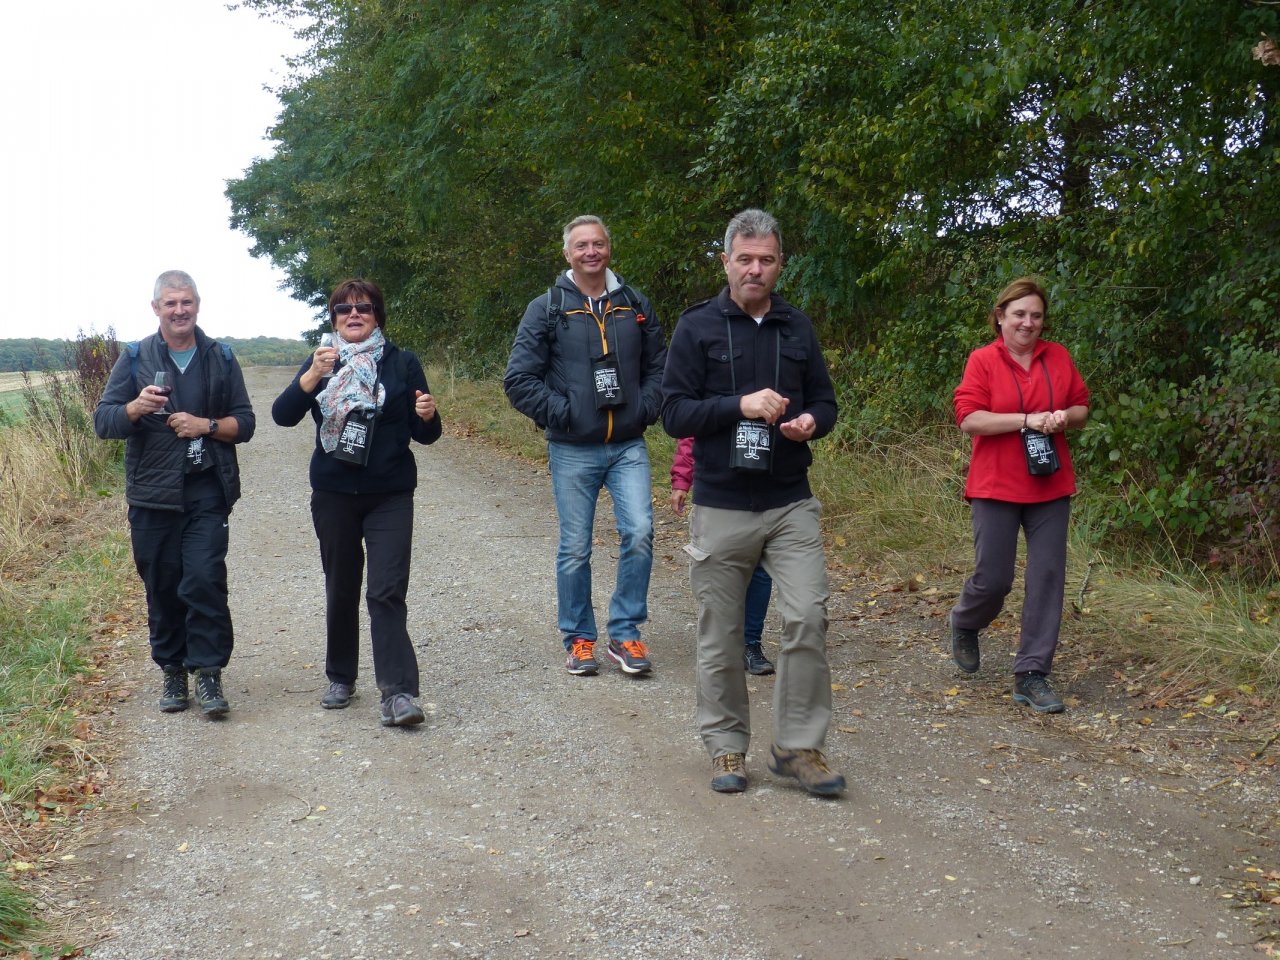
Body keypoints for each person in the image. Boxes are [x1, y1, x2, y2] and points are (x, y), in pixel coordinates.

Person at [661, 208, 845, 797]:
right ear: (726, 262)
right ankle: (726, 746)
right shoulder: (697, 327)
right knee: (721, 633)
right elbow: (674, 413)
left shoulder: (797, 327)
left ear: (780, 264)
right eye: (745, 259)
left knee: (807, 615)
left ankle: (799, 748)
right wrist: (738, 406)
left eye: (766, 260)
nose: (755, 270)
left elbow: (825, 401)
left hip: (790, 501)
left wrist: (812, 422)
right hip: (721, 503)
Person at [271, 279, 441, 728]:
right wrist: (311, 376)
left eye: (363, 307)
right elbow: (282, 416)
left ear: (377, 315)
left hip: (390, 494)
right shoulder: (322, 362)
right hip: (333, 494)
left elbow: (426, 434)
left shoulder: (402, 362)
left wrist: (428, 415)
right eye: (344, 309)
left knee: (386, 591)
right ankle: (341, 677)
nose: (354, 315)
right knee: (341, 586)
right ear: (333, 319)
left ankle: (398, 693)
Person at [504, 215, 667, 678]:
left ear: (609, 248)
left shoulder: (634, 304)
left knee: (639, 533)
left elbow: (661, 367)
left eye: (598, 243)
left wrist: (644, 408)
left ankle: (625, 633)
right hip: (572, 448)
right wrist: (566, 413)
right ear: (567, 254)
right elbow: (518, 379)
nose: (591, 251)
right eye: (581, 245)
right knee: (576, 547)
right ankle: (579, 639)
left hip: (628, 444)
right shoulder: (547, 308)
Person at [93, 270, 256, 719]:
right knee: (162, 586)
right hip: (152, 495)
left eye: (186, 302)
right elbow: (104, 422)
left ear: (197, 305)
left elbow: (245, 422)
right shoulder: (134, 357)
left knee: (204, 579)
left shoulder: (221, 356)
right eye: (171, 303)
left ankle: (208, 672)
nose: (179, 311)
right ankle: (173, 669)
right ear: (156, 309)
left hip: (207, 489)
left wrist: (207, 425)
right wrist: (134, 407)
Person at [949, 277, 1090, 714]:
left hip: (1050, 484)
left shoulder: (1058, 356)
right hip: (996, 485)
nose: (1028, 323)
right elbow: (969, 419)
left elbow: (1082, 407)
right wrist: (1026, 419)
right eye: (1019, 314)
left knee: (1047, 576)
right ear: (1000, 317)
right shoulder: (983, 360)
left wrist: (1063, 417)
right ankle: (966, 621)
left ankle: (1032, 673)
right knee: (994, 578)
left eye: (1036, 315)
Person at [669, 436, 775, 675]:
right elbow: (691, 435)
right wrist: (682, 480)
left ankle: (750, 644)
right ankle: (721, 645)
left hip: (766, 489)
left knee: (760, 568)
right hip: (718, 493)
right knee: (717, 570)